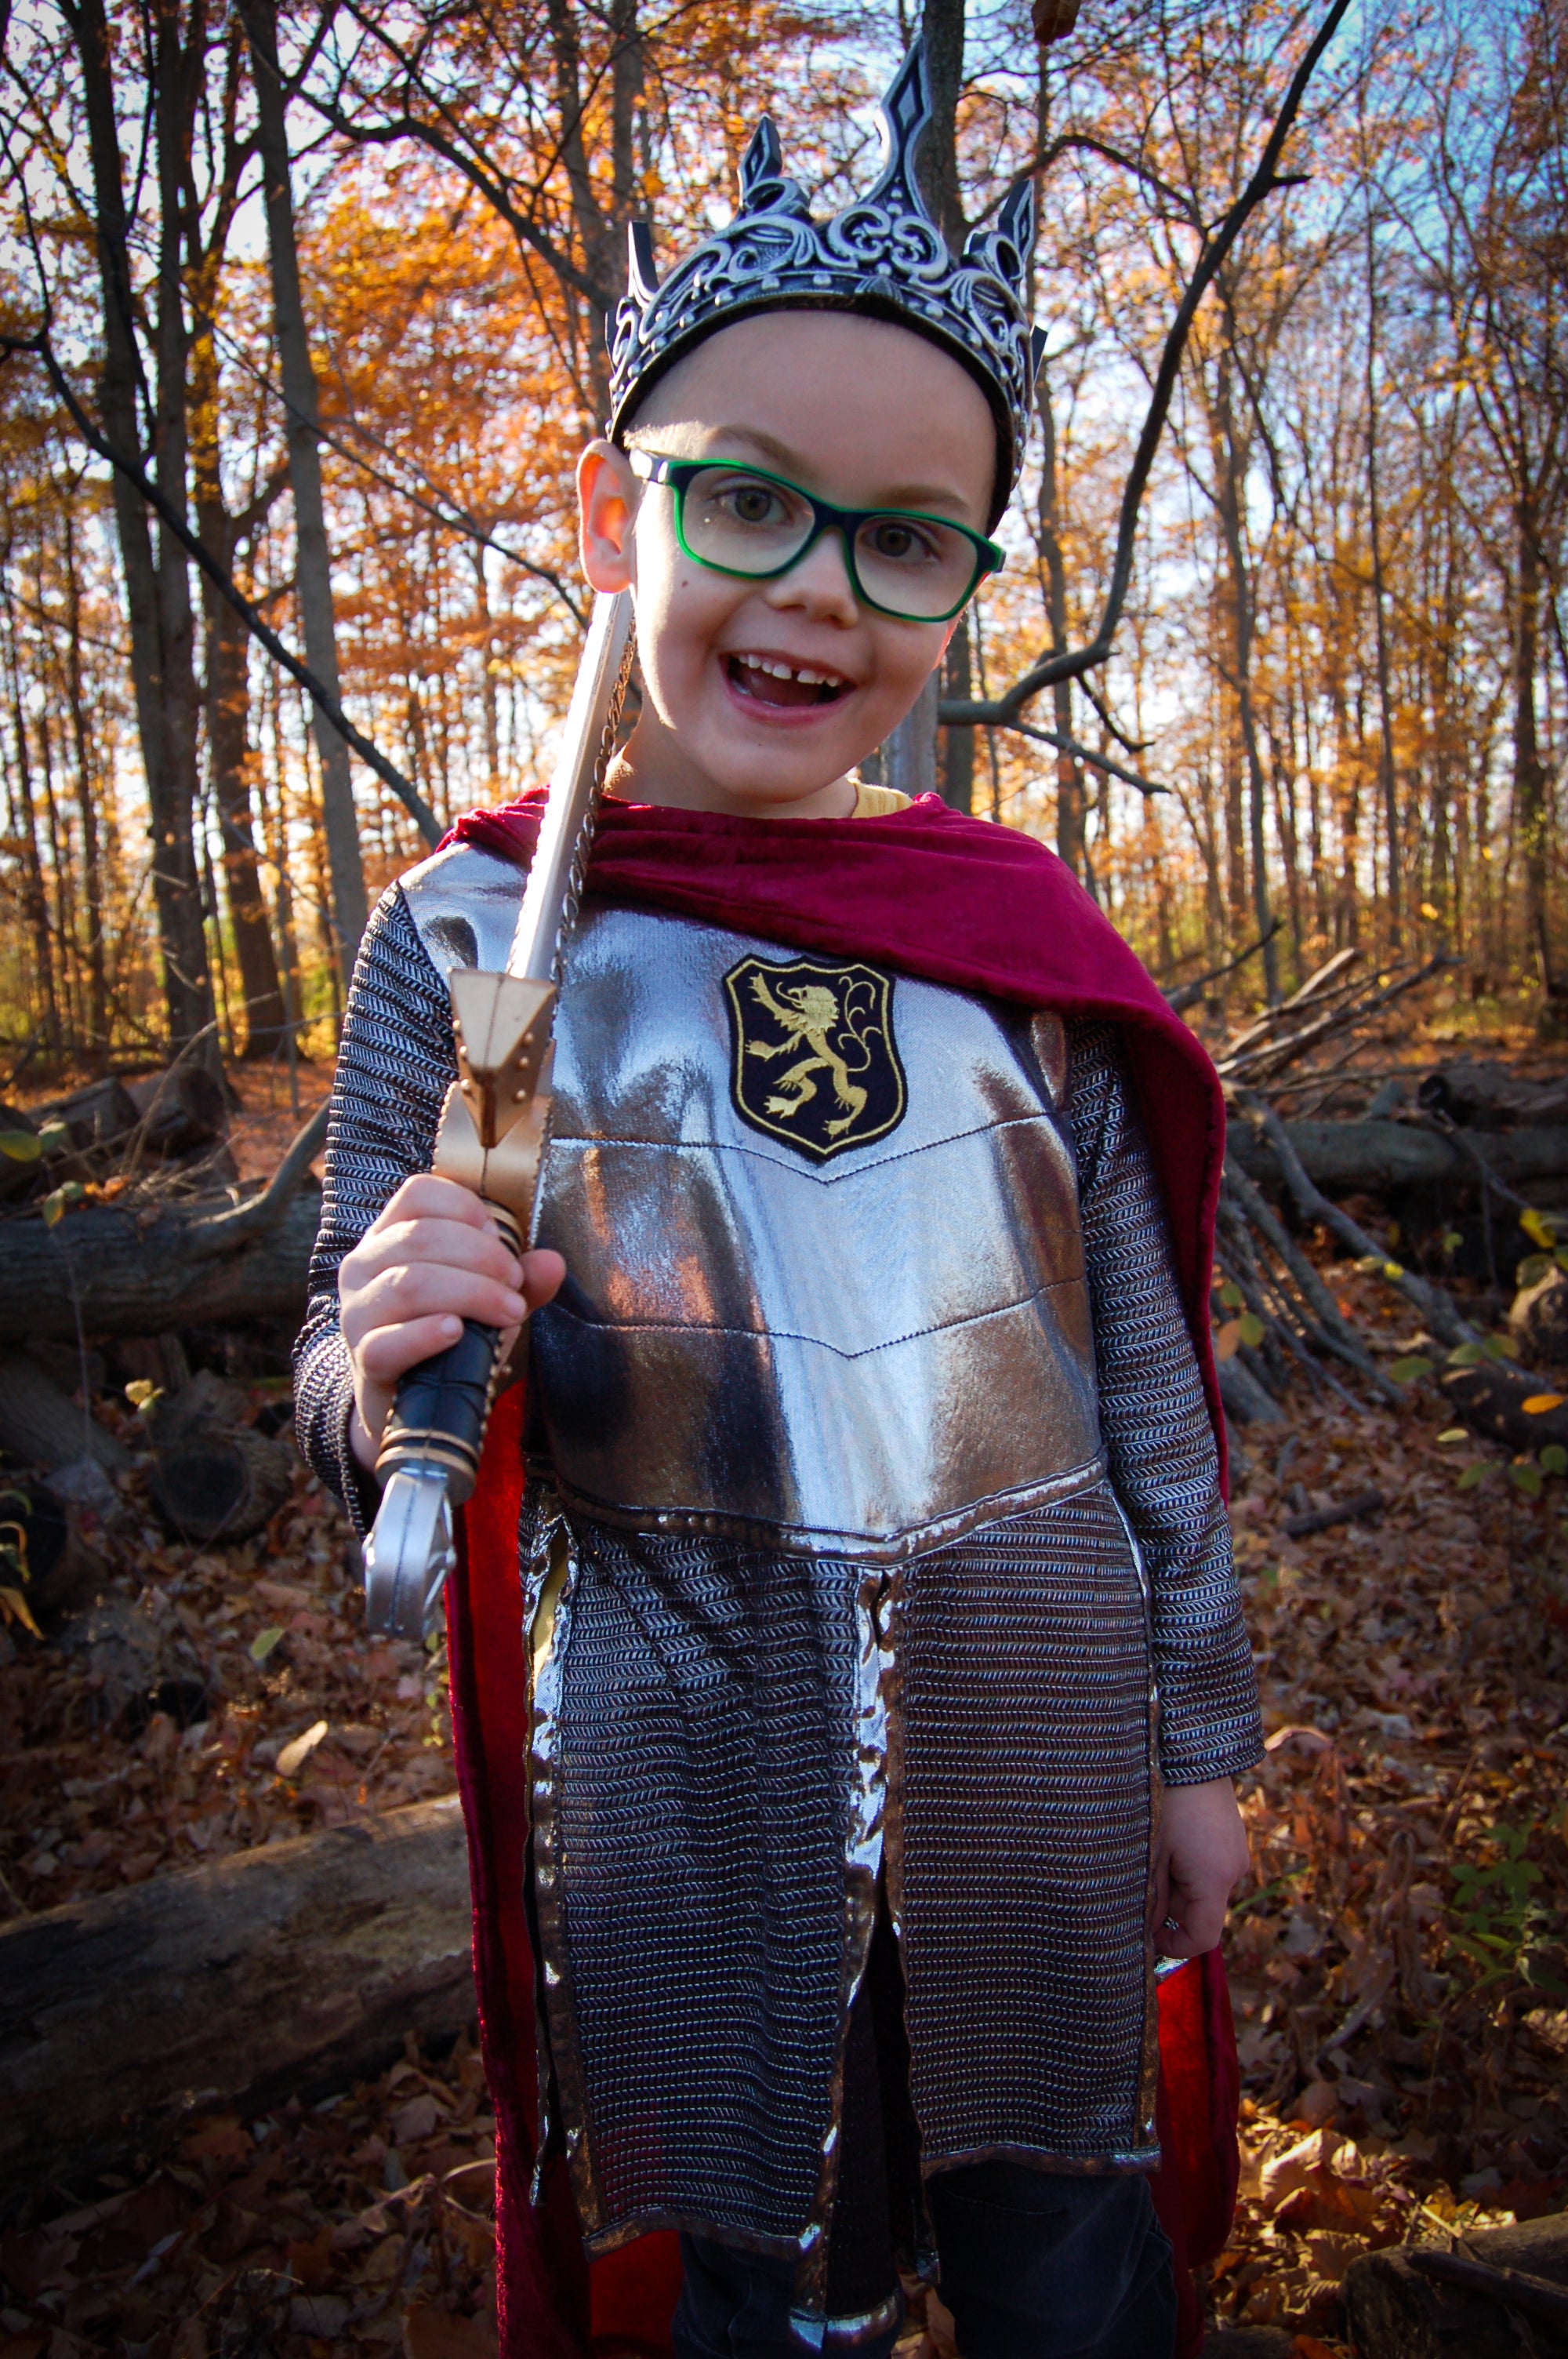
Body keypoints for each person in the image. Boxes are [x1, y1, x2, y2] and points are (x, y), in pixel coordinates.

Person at [295, 46, 1261, 2359]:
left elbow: (1147, 1390)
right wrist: (380, 1361)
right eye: (747, 501)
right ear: (616, 519)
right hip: (686, 1712)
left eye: (906, 537)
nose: (820, 585)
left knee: (1066, 2263)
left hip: (1037, 1693)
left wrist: (1201, 1738)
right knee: (740, 2276)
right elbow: (366, 1368)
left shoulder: (1011, 938)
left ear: (963, 588)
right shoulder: (485, 937)